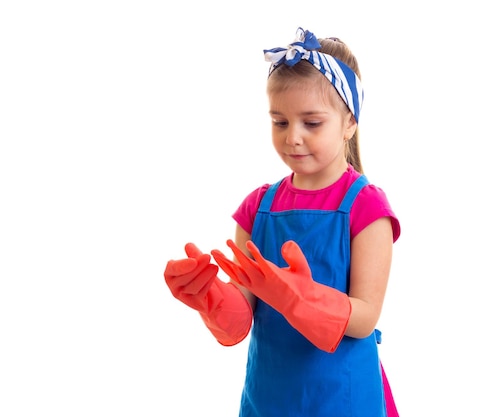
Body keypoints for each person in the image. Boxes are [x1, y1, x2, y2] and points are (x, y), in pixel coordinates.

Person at [164, 27, 401, 417]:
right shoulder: (257, 209)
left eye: (312, 123)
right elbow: (240, 319)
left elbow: (364, 318)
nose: (293, 138)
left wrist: (302, 300)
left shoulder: (367, 207)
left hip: (342, 397)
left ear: (349, 123)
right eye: (280, 122)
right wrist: (209, 296)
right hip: (270, 396)